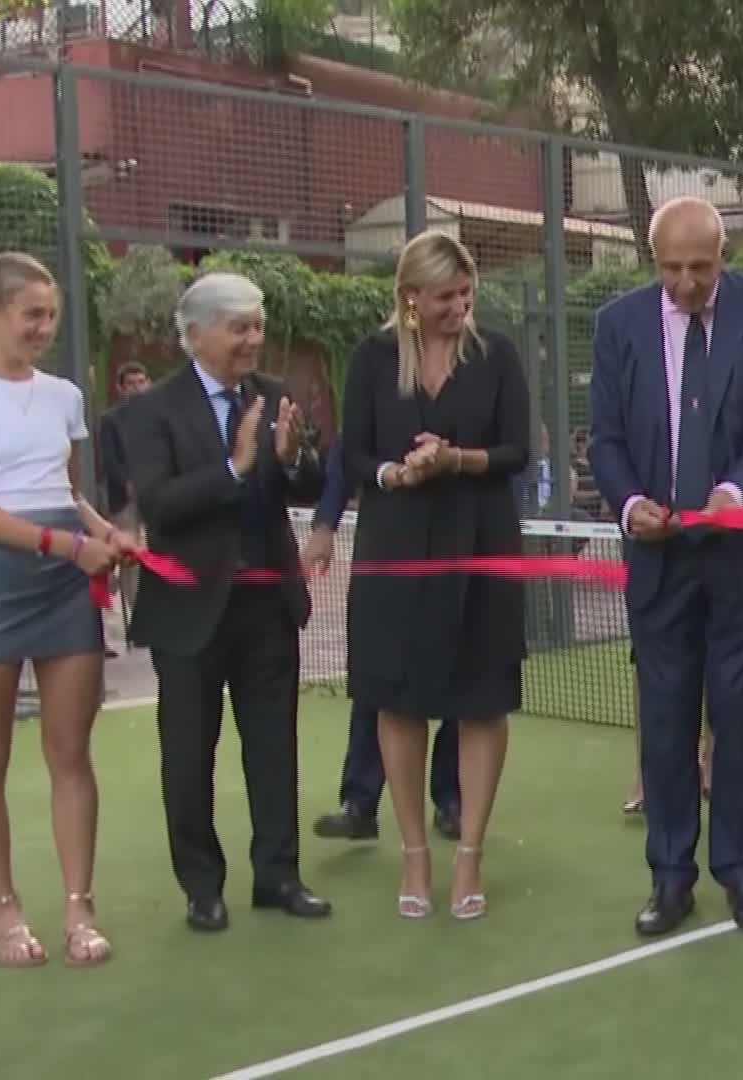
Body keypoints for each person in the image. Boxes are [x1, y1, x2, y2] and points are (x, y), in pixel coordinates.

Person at [588, 195, 743, 937]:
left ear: (724, 257)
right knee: (666, 717)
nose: (686, 284)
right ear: (654, 263)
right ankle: (670, 876)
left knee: (739, 717)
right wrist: (628, 505)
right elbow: (607, 438)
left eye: (701, 268)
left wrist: (732, 491)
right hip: (658, 557)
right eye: (673, 269)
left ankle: (739, 871)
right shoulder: (618, 324)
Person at [0, 252, 134, 967]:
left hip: (65, 579)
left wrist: (102, 531)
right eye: (33, 315)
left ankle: (80, 908)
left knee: (70, 751)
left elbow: (63, 486)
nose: (46, 327)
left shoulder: (63, 395)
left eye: (52, 315)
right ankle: (4, 909)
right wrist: (64, 545)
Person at [124, 271, 331, 933]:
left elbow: (309, 488)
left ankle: (278, 875)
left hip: (268, 608)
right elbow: (157, 505)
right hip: (188, 615)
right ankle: (202, 887)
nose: (253, 339)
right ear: (197, 335)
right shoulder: (149, 412)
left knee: (274, 750)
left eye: (257, 326)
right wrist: (235, 469)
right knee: (189, 757)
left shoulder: (275, 397)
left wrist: (296, 459)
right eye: (239, 327)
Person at [342, 229, 528, 921]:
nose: (460, 305)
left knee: (481, 699)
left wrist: (457, 461)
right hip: (395, 546)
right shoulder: (372, 358)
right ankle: (414, 856)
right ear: (410, 297)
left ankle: (469, 854)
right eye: (446, 296)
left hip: (480, 541)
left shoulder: (496, 356)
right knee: (398, 698)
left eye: (466, 293)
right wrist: (396, 472)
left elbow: (517, 451)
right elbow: (355, 452)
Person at [304, 432, 462, 845]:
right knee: (374, 676)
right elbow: (346, 457)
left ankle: (452, 800)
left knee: (457, 676)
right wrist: (324, 526)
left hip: (455, 544)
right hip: (386, 551)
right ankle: (359, 804)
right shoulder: (374, 382)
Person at [97, 360, 151, 650]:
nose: (137, 388)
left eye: (141, 382)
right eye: (130, 383)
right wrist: (129, 484)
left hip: (156, 494)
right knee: (131, 558)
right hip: (126, 499)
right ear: (120, 388)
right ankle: (136, 621)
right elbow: (109, 461)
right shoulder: (111, 419)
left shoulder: (158, 414)